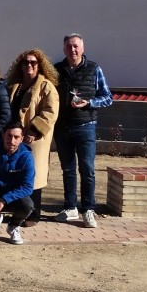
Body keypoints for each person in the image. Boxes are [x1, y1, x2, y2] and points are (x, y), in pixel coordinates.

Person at [53, 33, 113, 228]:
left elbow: (108, 97)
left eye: (76, 46)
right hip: (62, 127)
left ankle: (88, 210)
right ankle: (70, 207)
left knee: (87, 169)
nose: (72, 50)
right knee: (67, 170)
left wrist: (90, 103)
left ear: (82, 48)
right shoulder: (56, 71)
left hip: (86, 126)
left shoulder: (94, 69)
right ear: (64, 50)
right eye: (69, 47)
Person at [5, 48, 60, 226]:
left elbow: (51, 112)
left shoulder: (46, 87)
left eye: (33, 63)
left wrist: (34, 131)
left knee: (33, 175)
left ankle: (33, 214)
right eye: (26, 62)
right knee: (16, 174)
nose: (29, 65)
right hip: (15, 138)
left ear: (40, 65)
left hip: (34, 139)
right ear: (20, 66)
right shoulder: (15, 86)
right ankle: (18, 210)